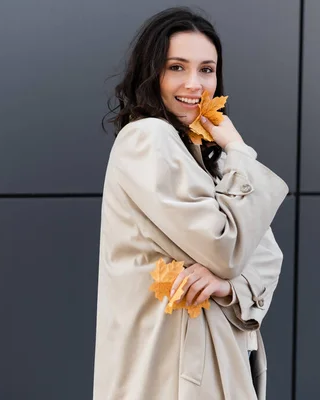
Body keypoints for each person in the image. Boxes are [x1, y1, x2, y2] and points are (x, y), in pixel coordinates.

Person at [94, 7, 288, 400]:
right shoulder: (148, 138)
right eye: (176, 67)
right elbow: (226, 248)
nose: (194, 84)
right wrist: (239, 149)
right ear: (152, 73)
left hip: (214, 357)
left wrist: (225, 283)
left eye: (206, 69)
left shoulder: (205, 158)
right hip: (172, 368)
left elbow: (266, 254)